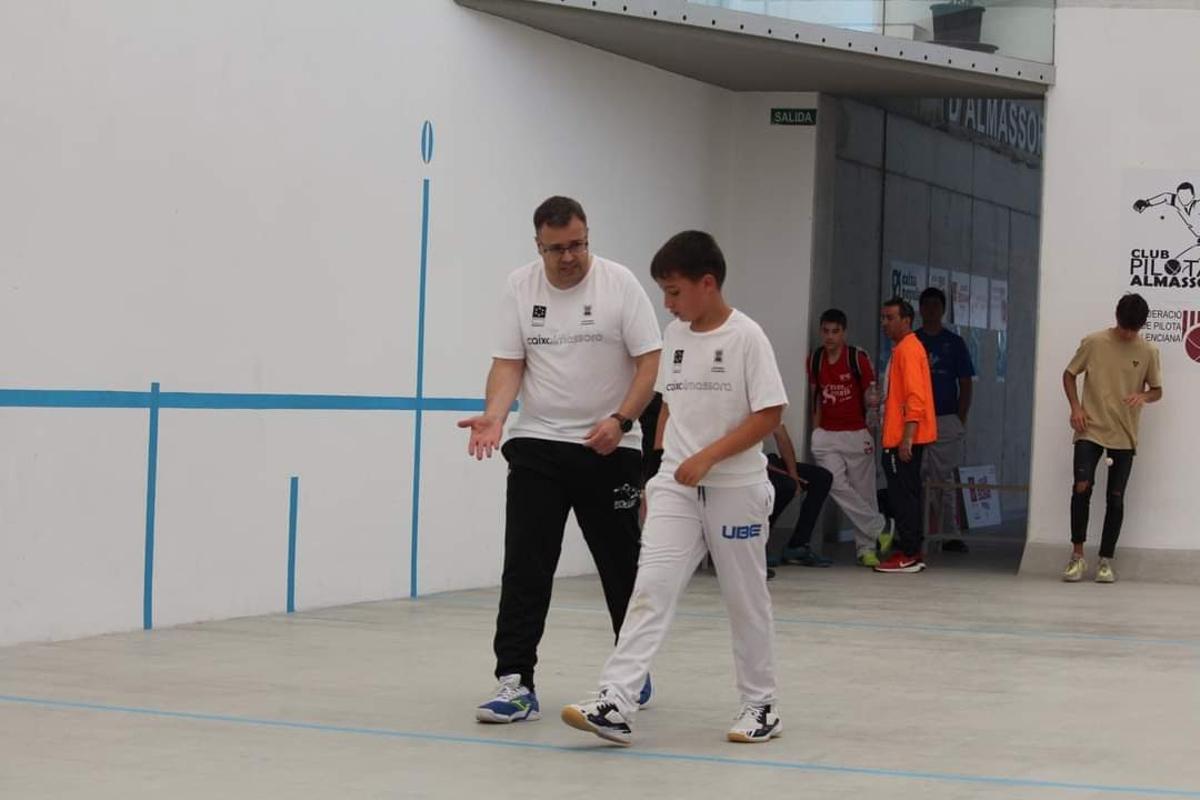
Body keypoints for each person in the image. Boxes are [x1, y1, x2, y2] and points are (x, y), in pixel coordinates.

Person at [562, 230, 787, 746]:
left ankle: (761, 705)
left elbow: (770, 414)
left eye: (674, 290)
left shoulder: (747, 337)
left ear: (707, 284)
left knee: (744, 598)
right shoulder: (677, 335)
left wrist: (708, 457)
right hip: (676, 489)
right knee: (650, 590)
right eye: (663, 292)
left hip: (737, 489)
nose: (667, 302)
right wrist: (659, 469)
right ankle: (616, 699)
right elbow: (667, 405)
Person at [460, 196, 662, 723]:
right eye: (557, 249)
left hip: (611, 447)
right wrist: (495, 416)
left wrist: (620, 421)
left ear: (587, 237)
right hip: (539, 445)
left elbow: (649, 364)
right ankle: (515, 682)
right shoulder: (520, 287)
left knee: (621, 568)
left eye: (577, 244)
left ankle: (629, 672)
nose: (569, 257)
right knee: (526, 564)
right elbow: (508, 364)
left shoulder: (620, 285)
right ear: (538, 246)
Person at [1061, 293, 1162, 584]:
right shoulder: (1094, 342)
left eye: (1134, 329)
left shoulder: (1148, 351)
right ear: (1117, 318)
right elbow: (1069, 375)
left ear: (1141, 326)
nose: (1128, 334)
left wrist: (1142, 395)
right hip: (1089, 427)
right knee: (1082, 487)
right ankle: (1077, 556)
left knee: (1115, 499)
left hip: (1124, 433)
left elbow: (1157, 390)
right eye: (1125, 327)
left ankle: (1106, 560)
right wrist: (1076, 407)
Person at [808, 308, 888, 567]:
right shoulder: (815, 359)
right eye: (826, 331)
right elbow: (816, 397)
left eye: (835, 331)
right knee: (833, 482)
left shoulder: (857, 358)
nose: (830, 336)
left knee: (864, 493)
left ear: (844, 333)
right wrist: (816, 430)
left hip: (856, 433)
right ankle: (880, 528)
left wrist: (871, 434)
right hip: (826, 435)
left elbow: (871, 398)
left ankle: (866, 549)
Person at [875, 297, 937, 574]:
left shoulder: (908, 350)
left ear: (906, 321)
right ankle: (910, 549)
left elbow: (916, 397)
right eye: (883, 317)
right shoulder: (903, 349)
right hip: (898, 437)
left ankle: (910, 553)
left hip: (903, 439)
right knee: (904, 495)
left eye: (890, 318)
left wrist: (907, 438)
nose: (884, 323)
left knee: (904, 497)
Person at [915, 288, 975, 552]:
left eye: (935, 305)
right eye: (925, 305)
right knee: (917, 478)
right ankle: (916, 532)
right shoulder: (912, 341)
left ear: (943, 309)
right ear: (920, 309)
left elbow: (965, 383)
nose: (930, 310)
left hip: (946, 420)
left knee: (945, 480)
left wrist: (959, 419)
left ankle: (950, 534)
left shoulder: (955, 343)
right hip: (916, 421)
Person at [765, 426, 833, 570]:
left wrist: (794, 475)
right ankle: (759, 541)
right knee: (786, 486)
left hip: (762, 462)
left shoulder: (768, 405)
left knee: (822, 478)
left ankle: (797, 546)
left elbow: (782, 437)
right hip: (741, 466)